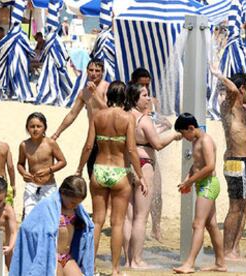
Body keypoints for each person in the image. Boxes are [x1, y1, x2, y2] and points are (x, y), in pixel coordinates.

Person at [76, 81, 147, 276]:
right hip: (119, 171)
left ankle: (90, 267)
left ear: (108, 97)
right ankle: (115, 269)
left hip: (99, 169)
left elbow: (88, 146)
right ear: (124, 97)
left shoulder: (98, 116)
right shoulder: (128, 118)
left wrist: (80, 168)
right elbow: (132, 150)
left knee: (97, 221)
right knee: (117, 222)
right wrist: (140, 176)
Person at [123, 83, 181, 268]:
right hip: (144, 165)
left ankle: (127, 258)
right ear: (135, 98)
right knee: (141, 216)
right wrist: (173, 135)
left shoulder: (125, 115)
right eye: (145, 95)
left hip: (127, 165)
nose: (148, 98)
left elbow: (142, 139)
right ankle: (137, 260)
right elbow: (156, 144)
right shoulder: (143, 120)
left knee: (128, 217)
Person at [211, 66, 246, 261]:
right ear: (241, 88)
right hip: (235, 162)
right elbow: (231, 90)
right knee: (236, 207)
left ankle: (235, 247)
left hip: (245, 160)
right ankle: (226, 251)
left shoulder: (242, 109)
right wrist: (218, 74)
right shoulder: (229, 104)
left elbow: (243, 132)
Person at [173, 113, 227, 274]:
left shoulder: (206, 140)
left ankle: (189, 264)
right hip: (202, 184)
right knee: (211, 225)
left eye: (184, 134)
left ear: (191, 128)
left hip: (209, 184)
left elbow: (210, 166)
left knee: (198, 224)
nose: (184, 138)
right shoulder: (196, 140)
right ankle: (220, 263)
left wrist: (190, 181)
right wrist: (186, 179)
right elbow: (196, 164)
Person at [10, 176, 94, 275]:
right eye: (73, 202)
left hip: (67, 257)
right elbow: (27, 227)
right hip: (53, 257)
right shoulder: (47, 206)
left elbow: (86, 229)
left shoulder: (76, 210)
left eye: (78, 203)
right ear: (63, 193)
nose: (76, 206)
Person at [131, 67, 172, 242]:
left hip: (150, 150)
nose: (146, 88)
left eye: (147, 84)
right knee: (140, 196)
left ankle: (156, 227)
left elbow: (162, 121)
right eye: (142, 85)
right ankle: (142, 228)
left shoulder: (154, 101)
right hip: (141, 151)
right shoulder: (131, 106)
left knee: (157, 192)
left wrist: (164, 125)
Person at [52, 58, 109, 177]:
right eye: (91, 70)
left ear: (102, 72)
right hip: (93, 133)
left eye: (97, 71)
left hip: (108, 133)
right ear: (87, 71)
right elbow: (72, 114)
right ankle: (80, 170)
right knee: (92, 172)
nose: (94, 73)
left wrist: (95, 94)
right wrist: (57, 133)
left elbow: (110, 112)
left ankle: (79, 169)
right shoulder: (85, 93)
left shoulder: (106, 88)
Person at [18, 112, 67, 218]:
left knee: (50, 217)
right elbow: (20, 164)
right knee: (29, 216)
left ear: (44, 128)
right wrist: (24, 173)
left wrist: (49, 170)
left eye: (39, 126)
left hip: (49, 186)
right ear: (27, 128)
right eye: (32, 126)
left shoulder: (50, 143)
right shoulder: (24, 145)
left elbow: (63, 161)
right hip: (31, 186)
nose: (35, 129)